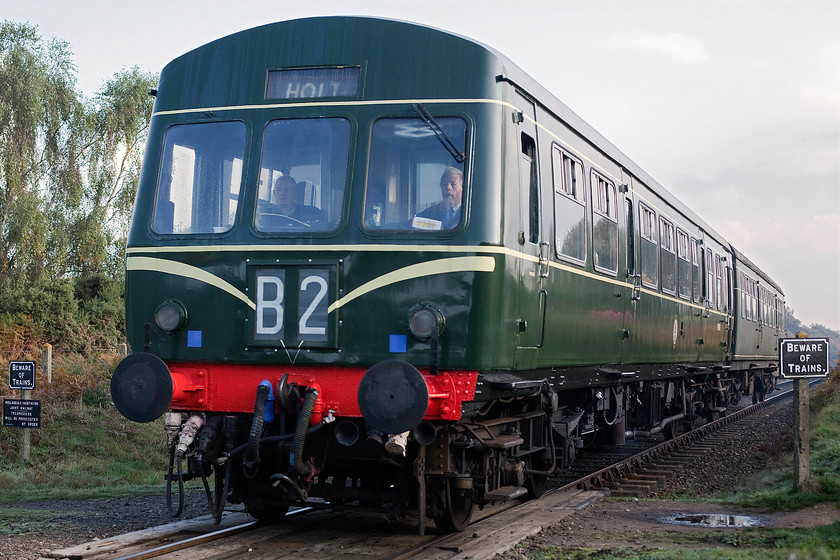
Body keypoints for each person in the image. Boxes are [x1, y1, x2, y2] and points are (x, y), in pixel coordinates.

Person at [258, 175, 323, 229]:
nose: (282, 193)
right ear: (274, 193)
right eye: (279, 189)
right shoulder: (264, 215)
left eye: (287, 189)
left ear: (295, 193)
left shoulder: (312, 213)